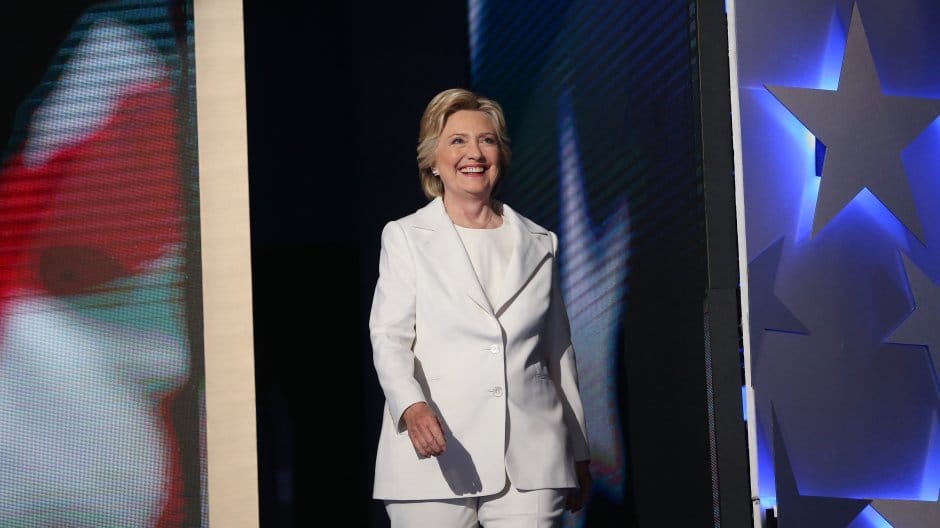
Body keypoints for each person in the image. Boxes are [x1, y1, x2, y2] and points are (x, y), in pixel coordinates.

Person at [369, 87, 593, 527]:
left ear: (500, 154)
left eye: (486, 140)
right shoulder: (406, 237)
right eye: (457, 141)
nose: (474, 152)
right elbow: (389, 339)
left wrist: (579, 452)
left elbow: (558, 354)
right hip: (436, 451)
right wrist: (411, 407)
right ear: (433, 159)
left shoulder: (540, 242)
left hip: (531, 458)